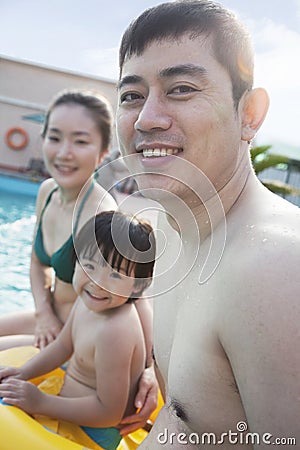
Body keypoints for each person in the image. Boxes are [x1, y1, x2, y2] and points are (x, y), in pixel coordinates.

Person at [116, 1, 300, 447]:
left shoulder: (275, 268)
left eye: (180, 89)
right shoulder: (171, 231)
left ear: (250, 115)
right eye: (132, 96)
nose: (146, 119)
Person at [0, 88, 158, 434]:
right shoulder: (48, 192)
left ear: (103, 152)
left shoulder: (101, 216)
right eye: (55, 138)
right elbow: (35, 261)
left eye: (80, 142)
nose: (64, 153)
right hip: (52, 321)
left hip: (83, 338)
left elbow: (137, 295)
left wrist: (148, 368)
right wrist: (42, 313)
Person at [0, 210, 156, 450]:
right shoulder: (86, 301)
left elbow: (109, 412)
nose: (97, 282)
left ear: (137, 286)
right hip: (63, 401)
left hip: (89, 432)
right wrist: (22, 373)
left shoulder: (115, 332)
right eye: (89, 265)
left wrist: (40, 402)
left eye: (114, 274)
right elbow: (62, 347)